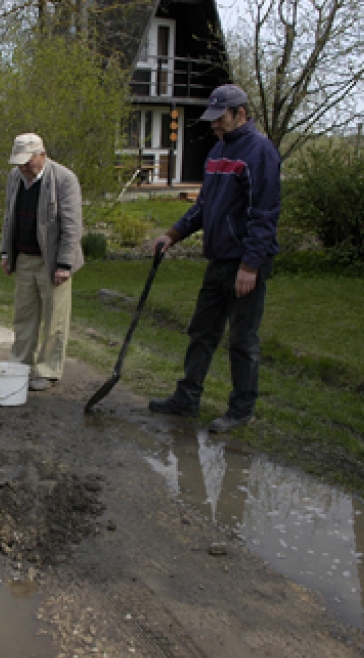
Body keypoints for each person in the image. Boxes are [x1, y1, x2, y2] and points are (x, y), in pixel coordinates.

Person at [149, 84, 281, 433]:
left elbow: (264, 214)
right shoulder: (217, 152)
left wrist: (250, 266)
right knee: (202, 331)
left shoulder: (260, 152)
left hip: (246, 262)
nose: (214, 126)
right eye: (212, 120)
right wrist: (173, 235)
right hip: (219, 259)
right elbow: (204, 207)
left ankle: (241, 409)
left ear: (240, 113)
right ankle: (187, 398)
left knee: (242, 338)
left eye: (220, 119)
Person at [0, 133, 84, 391]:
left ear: (42, 155)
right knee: (23, 317)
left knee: (54, 320)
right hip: (24, 258)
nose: (23, 167)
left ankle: (48, 371)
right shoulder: (15, 178)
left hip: (53, 262)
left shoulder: (64, 179)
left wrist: (65, 265)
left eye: (27, 162)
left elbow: (72, 226)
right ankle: (20, 366)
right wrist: (6, 252)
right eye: (19, 162)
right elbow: (8, 216)